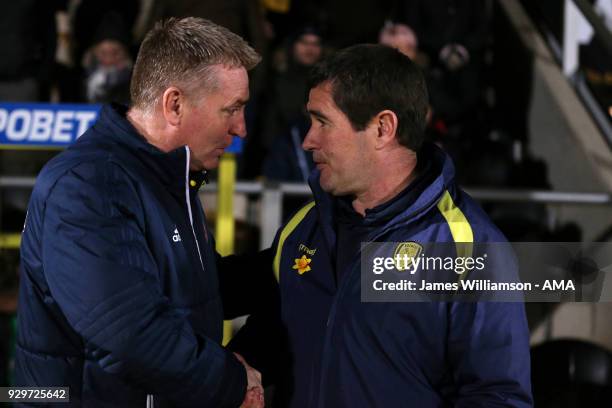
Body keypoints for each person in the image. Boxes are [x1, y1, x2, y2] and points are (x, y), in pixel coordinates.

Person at [234, 44, 533, 406]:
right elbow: (278, 335)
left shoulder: (469, 247)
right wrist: (236, 370)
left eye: (322, 121)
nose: (309, 140)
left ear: (382, 128)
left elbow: (499, 397)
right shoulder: (304, 227)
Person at [15, 17, 265, 407]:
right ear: (175, 104)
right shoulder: (87, 184)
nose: (241, 128)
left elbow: (192, 288)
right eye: (231, 110)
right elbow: (129, 333)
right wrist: (232, 383)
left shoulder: (164, 177)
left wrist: (289, 264)